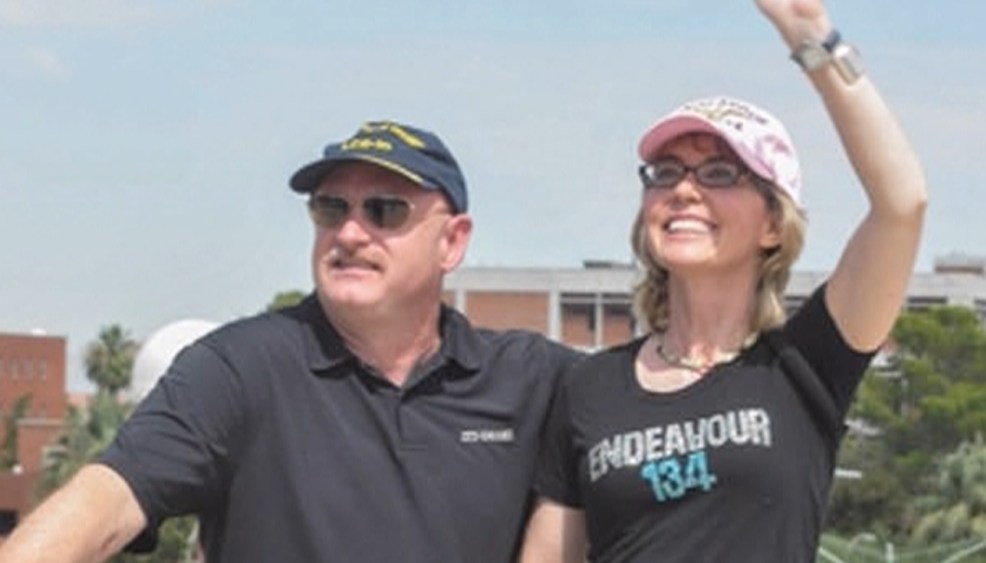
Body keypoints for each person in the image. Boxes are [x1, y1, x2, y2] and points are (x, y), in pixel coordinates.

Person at [0, 121, 581, 562]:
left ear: (452, 242)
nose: (350, 232)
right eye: (331, 208)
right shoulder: (238, 369)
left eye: (384, 211)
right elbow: (109, 499)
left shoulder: (535, 380)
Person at [518, 0, 928, 561]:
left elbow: (902, 203)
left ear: (773, 224)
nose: (684, 190)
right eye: (665, 173)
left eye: (719, 173)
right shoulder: (589, 386)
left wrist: (814, 37)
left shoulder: (804, 365)